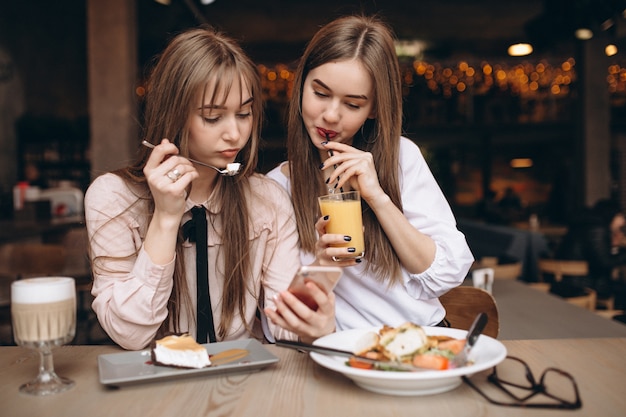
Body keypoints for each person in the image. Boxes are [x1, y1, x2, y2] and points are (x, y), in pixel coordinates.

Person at [84, 26, 334, 350]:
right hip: (151, 386)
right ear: (173, 114)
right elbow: (130, 335)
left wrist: (313, 319)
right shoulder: (112, 197)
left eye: (244, 113)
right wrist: (165, 218)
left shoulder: (266, 198)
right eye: (213, 117)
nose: (235, 134)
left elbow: (282, 326)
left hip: (238, 379)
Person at [265, 15, 474, 333]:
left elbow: (446, 274)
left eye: (352, 104)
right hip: (341, 352)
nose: (331, 115)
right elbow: (282, 318)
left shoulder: (401, 157)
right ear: (300, 85)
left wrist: (377, 197)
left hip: (422, 340)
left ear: (373, 108)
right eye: (320, 94)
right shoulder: (275, 189)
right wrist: (322, 266)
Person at [555, 198, 626, 304]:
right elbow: (604, 262)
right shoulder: (597, 229)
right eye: (620, 216)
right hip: (583, 284)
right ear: (611, 214)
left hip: (567, 281)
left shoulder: (584, 224)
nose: (623, 221)